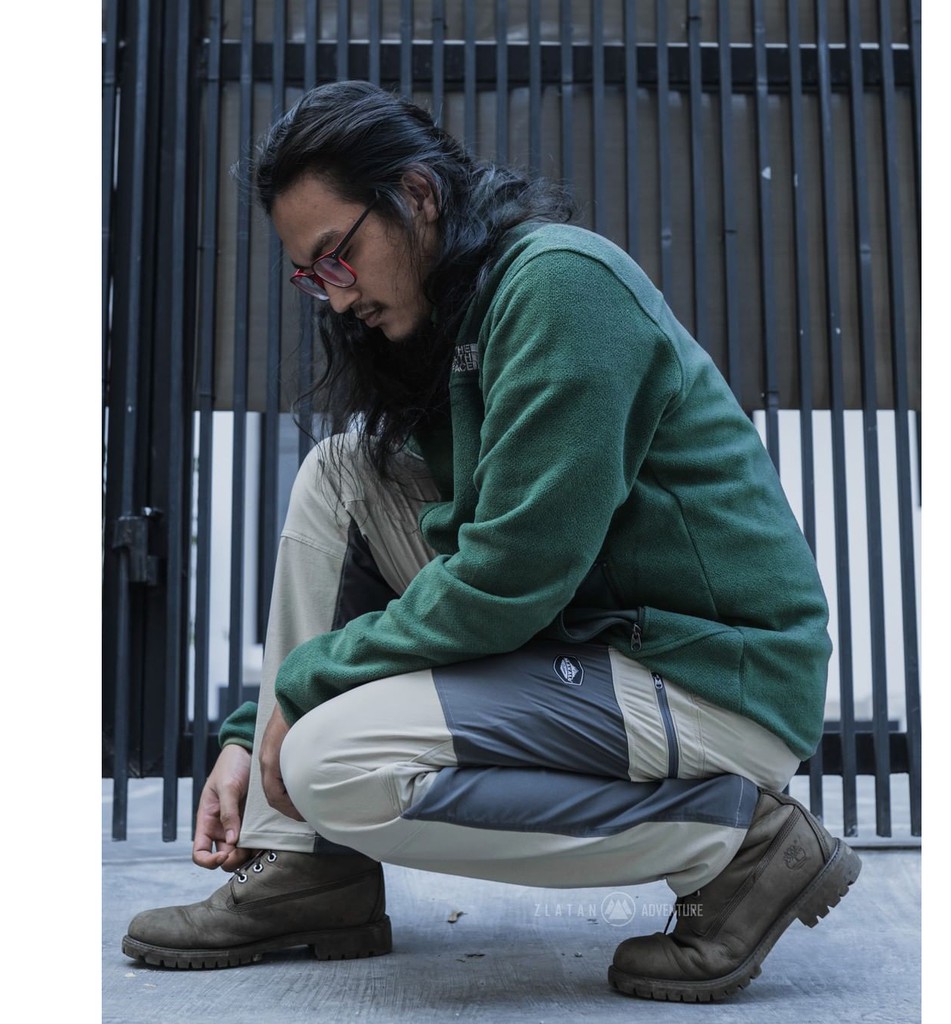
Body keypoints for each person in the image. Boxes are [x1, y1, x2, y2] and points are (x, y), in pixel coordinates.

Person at [122, 79, 860, 1002]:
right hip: (592, 638)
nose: (336, 298)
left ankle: (738, 843)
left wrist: (303, 694)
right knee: (342, 472)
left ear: (417, 196)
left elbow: (510, 576)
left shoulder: (561, 286)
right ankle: (307, 865)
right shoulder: (456, 322)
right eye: (312, 276)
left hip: (701, 673)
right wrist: (249, 732)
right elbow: (451, 559)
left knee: (332, 764)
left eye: (339, 256)